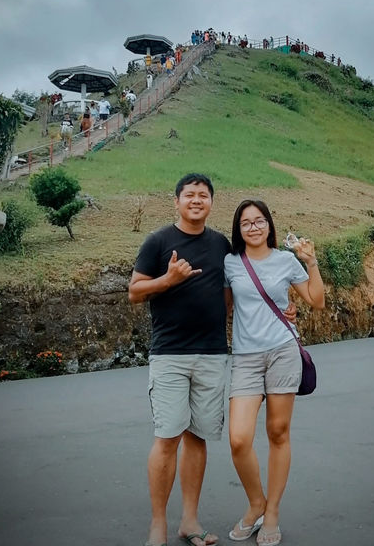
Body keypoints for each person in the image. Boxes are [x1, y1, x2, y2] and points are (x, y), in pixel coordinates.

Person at [129, 173, 231, 546]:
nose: (196, 200)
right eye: (190, 194)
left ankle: (189, 520)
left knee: (198, 437)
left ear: (211, 203)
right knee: (167, 437)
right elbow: (135, 292)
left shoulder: (221, 243)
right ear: (176, 201)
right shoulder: (158, 241)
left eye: (203, 195)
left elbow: (231, 291)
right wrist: (168, 280)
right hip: (170, 354)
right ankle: (158, 523)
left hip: (212, 354)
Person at [224, 199, 325, 546]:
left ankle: (273, 512)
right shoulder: (231, 263)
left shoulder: (286, 261)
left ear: (269, 225)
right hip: (246, 357)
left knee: (278, 432)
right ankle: (256, 503)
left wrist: (311, 262)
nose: (253, 227)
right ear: (238, 229)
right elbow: (223, 307)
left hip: (283, 351)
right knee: (239, 439)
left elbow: (316, 300)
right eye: (246, 223)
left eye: (259, 220)